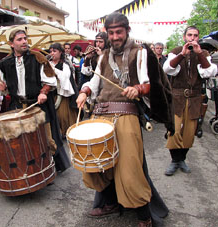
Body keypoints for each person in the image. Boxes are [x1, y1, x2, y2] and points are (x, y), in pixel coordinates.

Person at [76, 12, 174, 227]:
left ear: (127, 30)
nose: (114, 37)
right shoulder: (103, 56)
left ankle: (144, 216)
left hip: (126, 115)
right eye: (111, 33)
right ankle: (110, 202)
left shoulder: (139, 53)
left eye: (118, 32)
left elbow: (150, 84)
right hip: (100, 114)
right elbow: (95, 82)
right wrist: (84, 91)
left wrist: (137, 88)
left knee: (129, 170)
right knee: (99, 164)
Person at [0, 29, 70, 172]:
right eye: (19, 39)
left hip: (38, 105)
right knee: (22, 140)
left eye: (25, 38)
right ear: (11, 44)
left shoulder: (37, 57)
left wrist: (43, 92)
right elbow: (2, 90)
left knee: (46, 140)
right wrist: (1, 87)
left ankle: (49, 168)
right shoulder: (4, 63)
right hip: (17, 106)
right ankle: (30, 170)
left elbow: (50, 80)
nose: (24, 41)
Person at [163, 26, 218, 176]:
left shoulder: (204, 53)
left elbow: (209, 72)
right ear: (184, 37)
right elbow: (167, 69)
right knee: (174, 130)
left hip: (194, 99)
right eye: (189, 35)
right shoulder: (176, 51)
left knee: (189, 132)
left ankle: (182, 159)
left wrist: (199, 54)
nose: (192, 38)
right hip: (177, 97)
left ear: (198, 37)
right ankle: (174, 160)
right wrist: (182, 54)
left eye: (195, 35)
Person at [49, 43, 78, 138]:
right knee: (53, 115)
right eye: (51, 51)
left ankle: (66, 132)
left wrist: (53, 69)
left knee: (63, 115)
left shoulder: (65, 64)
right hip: (51, 93)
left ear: (60, 52)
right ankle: (57, 133)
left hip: (62, 93)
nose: (52, 53)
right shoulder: (47, 63)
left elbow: (65, 77)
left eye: (54, 51)